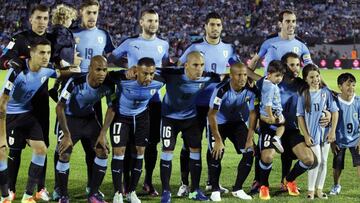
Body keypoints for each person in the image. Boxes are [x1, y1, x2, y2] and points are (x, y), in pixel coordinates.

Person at [52, 1, 115, 199]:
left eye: (95, 13)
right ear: (81, 13)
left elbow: (111, 59)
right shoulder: (71, 34)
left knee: (94, 145)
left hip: (95, 95)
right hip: (72, 91)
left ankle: (92, 186)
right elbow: (58, 60)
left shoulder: (104, 35)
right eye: (88, 12)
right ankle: (58, 188)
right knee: (62, 145)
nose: (92, 16)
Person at [177, 11, 239, 195]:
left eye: (218, 25)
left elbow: (238, 69)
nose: (215, 28)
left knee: (214, 144)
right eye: (212, 24)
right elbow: (180, 68)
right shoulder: (194, 47)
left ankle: (213, 183)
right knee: (189, 144)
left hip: (217, 105)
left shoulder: (228, 48)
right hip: (195, 103)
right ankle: (184, 183)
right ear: (205, 26)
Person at [0, 38, 69, 203]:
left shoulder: (47, 70)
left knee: (41, 150)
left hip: (28, 115)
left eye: (48, 53)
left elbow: (62, 72)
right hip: (9, 115)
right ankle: (4, 196)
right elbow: (2, 105)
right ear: (31, 54)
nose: (46, 56)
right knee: (2, 152)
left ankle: (28, 196)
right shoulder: (17, 73)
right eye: (42, 53)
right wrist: (1, 135)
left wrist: (78, 68)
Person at [110, 9, 169, 196]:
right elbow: (112, 57)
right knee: (126, 145)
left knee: (150, 144)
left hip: (153, 101)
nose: (154, 24)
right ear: (141, 22)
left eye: (156, 20)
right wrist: (126, 69)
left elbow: (165, 67)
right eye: (150, 20)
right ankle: (126, 184)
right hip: (129, 99)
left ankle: (148, 181)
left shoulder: (164, 44)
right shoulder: (130, 43)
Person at [0, 4, 51, 201]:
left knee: (42, 144)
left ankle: (41, 188)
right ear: (31, 19)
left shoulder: (50, 40)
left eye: (45, 18)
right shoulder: (19, 39)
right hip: (20, 102)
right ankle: (10, 188)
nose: (42, 22)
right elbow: (3, 57)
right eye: (38, 18)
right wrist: (9, 63)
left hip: (41, 101)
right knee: (15, 146)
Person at [100, 57, 165, 203]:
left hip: (141, 118)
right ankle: (118, 192)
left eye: (151, 74)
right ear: (136, 71)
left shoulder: (160, 81)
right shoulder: (124, 78)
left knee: (140, 153)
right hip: (121, 118)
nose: (148, 77)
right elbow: (107, 76)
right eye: (144, 73)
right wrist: (125, 71)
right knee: (118, 153)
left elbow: (174, 74)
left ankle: (132, 192)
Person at [160, 51, 220, 203]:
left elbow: (226, 77)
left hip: (190, 119)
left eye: (201, 65)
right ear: (186, 65)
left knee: (195, 151)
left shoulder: (209, 76)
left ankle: (195, 190)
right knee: (167, 152)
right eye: (195, 65)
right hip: (169, 119)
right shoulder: (172, 74)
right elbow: (149, 70)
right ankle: (166, 192)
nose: (199, 69)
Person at [55, 55, 113, 203]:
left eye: (105, 70)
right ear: (90, 69)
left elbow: (112, 108)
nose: (102, 73)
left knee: (102, 150)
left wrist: (103, 134)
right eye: (98, 69)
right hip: (69, 119)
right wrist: (67, 135)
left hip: (88, 118)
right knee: (64, 153)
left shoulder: (108, 84)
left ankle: (93, 194)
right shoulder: (75, 81)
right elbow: (59, 107)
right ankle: (63, 195)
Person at [207, 63, 256, 201]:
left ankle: (238, 189)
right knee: (216, 153)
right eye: (239, 75)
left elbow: (253, 113)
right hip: (218, 123)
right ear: (232, 75)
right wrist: (217, 139)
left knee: (250, 151)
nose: (243, 78)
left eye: (245, 74)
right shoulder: (221, 90)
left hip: (236, 122)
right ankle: (215, 189)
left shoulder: (251, 89)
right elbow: (211, 115)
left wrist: (250, 137)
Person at [297, 64, 339, 200]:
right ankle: (310, 190)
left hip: (326, 133)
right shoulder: (304, 95)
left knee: (324, 161)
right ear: (306, 79)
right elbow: (300, 116)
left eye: (317, 76)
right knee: (317, 161)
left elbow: (335, 111)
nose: (315, 79)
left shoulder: (326, 92)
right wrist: (306, 135)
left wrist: (332, 131)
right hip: (313, 134)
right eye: (311, 77)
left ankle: (319, 190)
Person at [247, 9, 312, 81]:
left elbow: (310, 68)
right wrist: (261, 81)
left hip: (290, 90)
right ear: (280, 24)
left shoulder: (302, 45)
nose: (291, 24)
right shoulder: (268, 42)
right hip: (269, 90)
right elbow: (254, 61)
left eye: (293, 21)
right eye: (288, 21)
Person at [329, 73, 360, 195]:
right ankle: (336, 185)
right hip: (339, 140)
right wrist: (332, 141)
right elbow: (330, 123)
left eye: (353, 85)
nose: (351, 87)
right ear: (340, 86)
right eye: (348, 85)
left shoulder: (358, 101)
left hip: (356, 139)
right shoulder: (335, 102)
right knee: (337, 165)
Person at [48, 4, 81, 102]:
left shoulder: (61, 30)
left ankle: (55, 90)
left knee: (65, 78)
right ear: (64, 19)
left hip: (63, 59)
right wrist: (58, 59)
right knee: (76, 72)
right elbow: (58, 44)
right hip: (63, 60)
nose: (71, 22)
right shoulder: (61, 31)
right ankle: (64, 99)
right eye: (70, 19)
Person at [259, 60, 286, 154]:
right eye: (277, 75)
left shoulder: (265, 82)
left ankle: (274, 138)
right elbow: (268, 103)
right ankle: (276, 138)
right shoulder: (271, 87)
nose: (280, 78)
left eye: (281, 76)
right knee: (282, 124)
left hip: (266, 112)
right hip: (272, 111)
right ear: (269, 74)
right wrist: (270, 116)